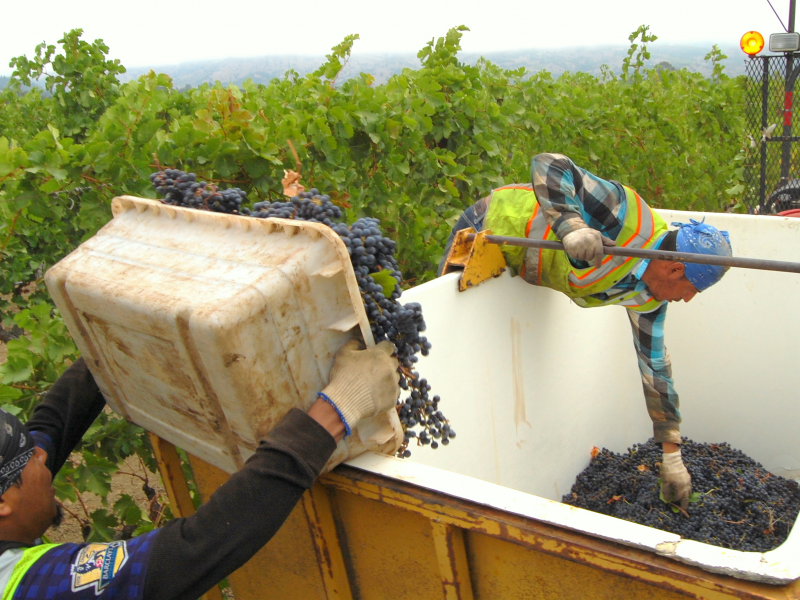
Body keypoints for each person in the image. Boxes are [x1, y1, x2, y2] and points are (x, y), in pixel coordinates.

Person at [439, 153, 733, 510]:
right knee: (442, 336)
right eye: (691, 290)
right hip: (490, 229)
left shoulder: (648, 296)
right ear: (674, 271)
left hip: (520, 263)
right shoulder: (626, 218)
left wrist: (672, 453)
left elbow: (655, 367)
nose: (686, 300)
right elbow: (550, 165)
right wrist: (571, 226)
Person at [0, 339, 399, 599]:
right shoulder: (25, 587)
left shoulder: (13, 478)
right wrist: (338, 408)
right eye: (31, 457)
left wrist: (119, 330)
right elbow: (193, 550)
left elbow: (50, 426)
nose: (42, 456)